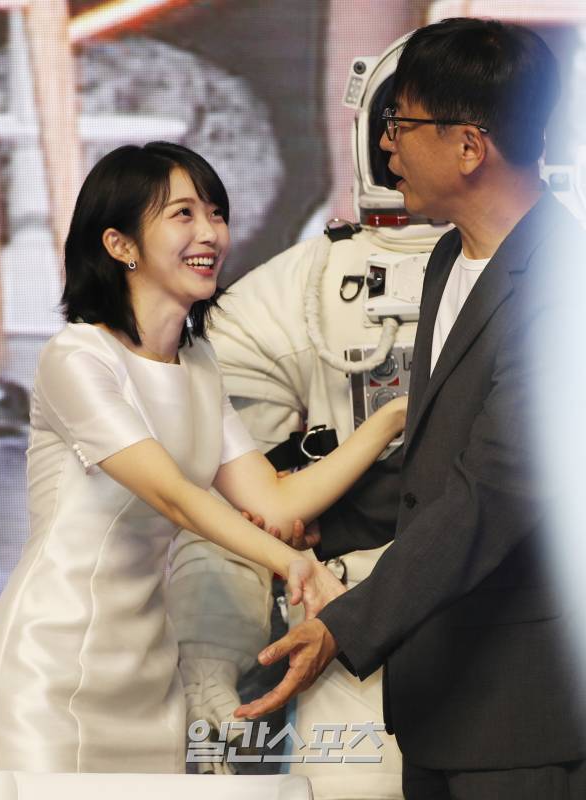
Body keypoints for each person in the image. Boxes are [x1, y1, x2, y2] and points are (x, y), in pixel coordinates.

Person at [236, 19, 586, 800]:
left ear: (469, 146)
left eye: (402, 121)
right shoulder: (446, 258)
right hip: (437, 705)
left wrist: (343, 625)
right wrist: (327, 521)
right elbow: (439, 462)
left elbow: (492, 495)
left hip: (523, 715)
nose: (385, 143)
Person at [0, 141, 408, 777]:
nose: (210, 233)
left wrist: (393, 418)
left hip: (151, 675)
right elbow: (175, 497)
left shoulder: (198, 363)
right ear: (119, 244)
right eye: (182, 214)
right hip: (51, 662)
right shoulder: (76, 358)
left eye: (216, 213)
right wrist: (295, 564)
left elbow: (274, 502)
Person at [168, 34, 448, 798]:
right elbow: (235, 503)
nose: (394, 147)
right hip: (351, 612)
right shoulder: (299, 289)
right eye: (395, 124)